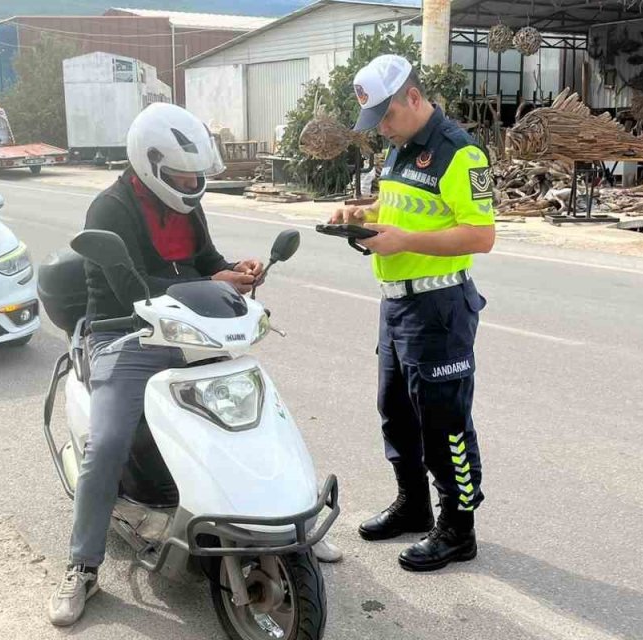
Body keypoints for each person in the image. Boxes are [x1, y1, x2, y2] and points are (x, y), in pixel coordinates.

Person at [48, 103, 339, 627]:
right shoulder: (109, 210)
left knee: (253, 411)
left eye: (196, 174)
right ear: (150, 163)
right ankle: (82, 565)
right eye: (182, 174)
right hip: (124, 335)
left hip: (186, 329)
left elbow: (204, 260)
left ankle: (284, 524)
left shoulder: (185, 205)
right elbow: (128, 288)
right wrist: (212, 286)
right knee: (108, 442)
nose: (191, 182)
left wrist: (233, 271)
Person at [329, 55, 496, 572]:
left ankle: (457, 527)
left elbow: (480, 235)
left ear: (415, 98)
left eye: (387, 115)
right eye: (375, 119)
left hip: (439, 305)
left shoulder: (461, 153)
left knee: (444, 422)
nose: (381, 127)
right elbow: (395, 209)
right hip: (396, 304)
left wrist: (404, 239)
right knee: (396, 411)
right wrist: (361, 215)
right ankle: (414, 504)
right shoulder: (398, 149)